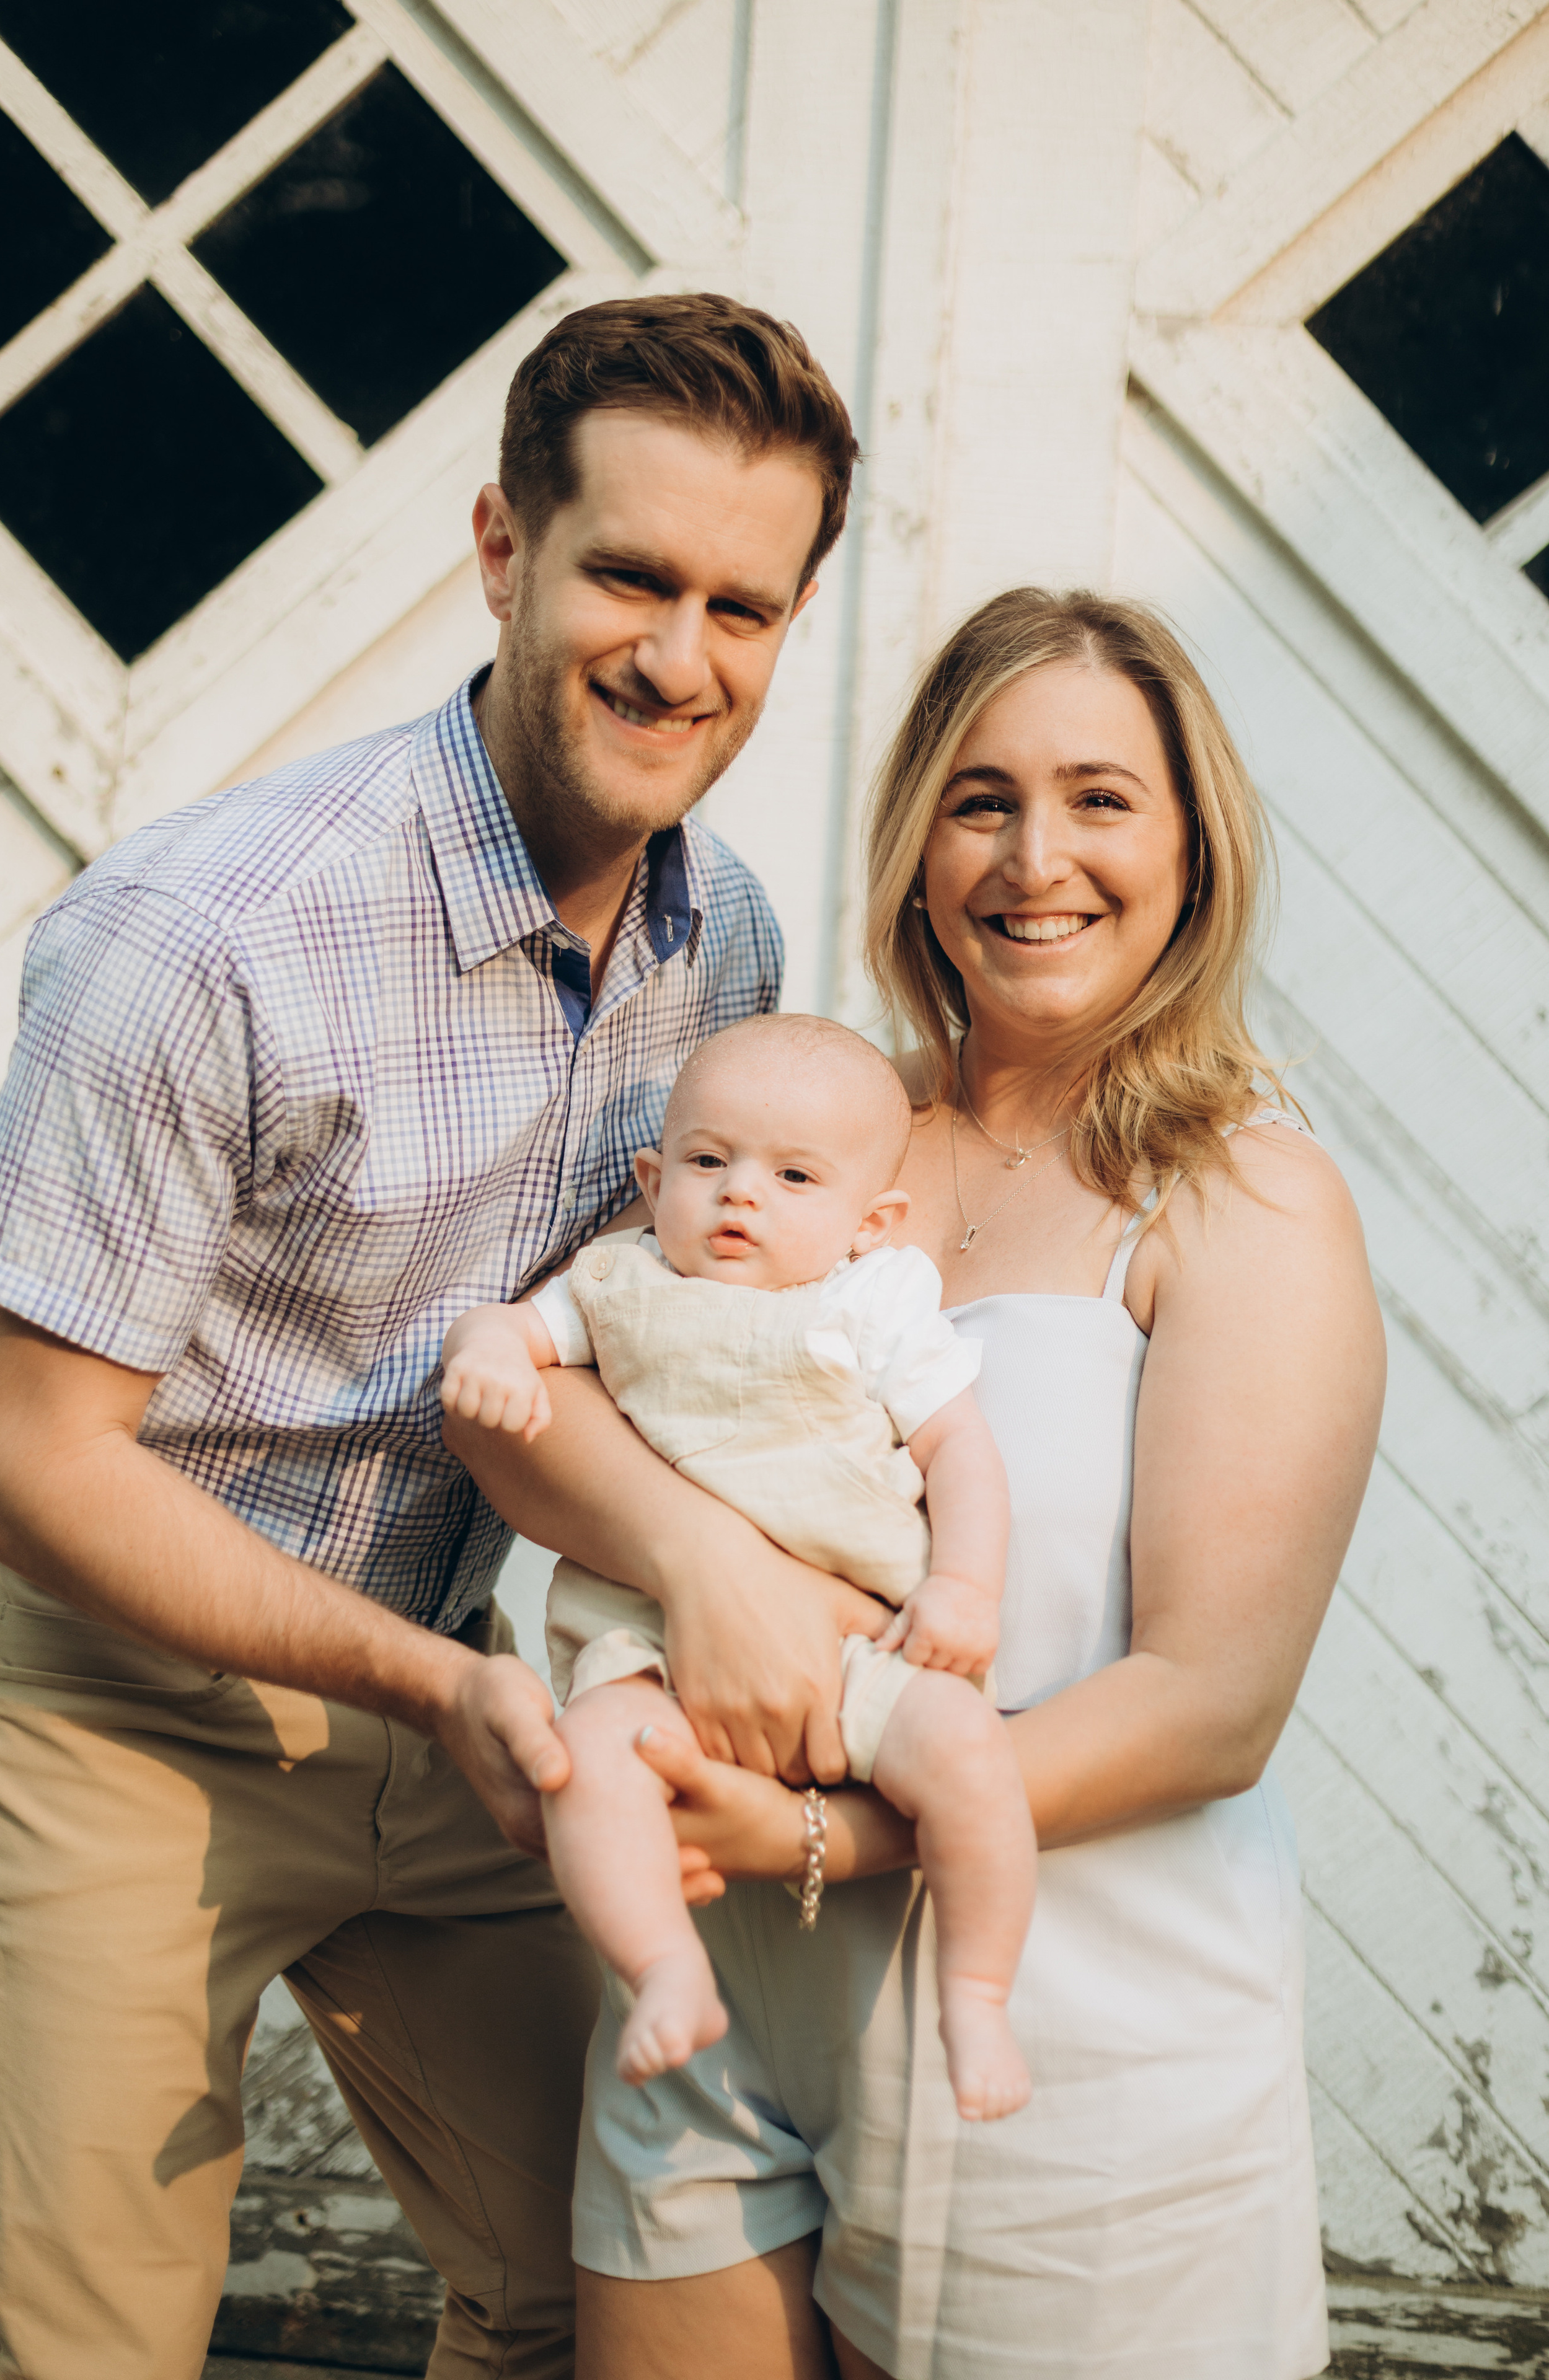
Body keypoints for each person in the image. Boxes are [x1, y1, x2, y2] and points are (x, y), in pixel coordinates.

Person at [0, 291, 864, 2380]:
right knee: (96, 2345)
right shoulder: (203, 937)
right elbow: (21, 1453)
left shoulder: (729, 939)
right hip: (123, 1694)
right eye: (628, 575)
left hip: (468, 1709)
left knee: (613, 2283)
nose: (677, 654)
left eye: (742, 604)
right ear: (499, 550)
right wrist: (421, 1677)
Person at [452, 588, 1387, 2380]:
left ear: (1192, 841)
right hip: (715, 2022)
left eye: (1103, 798)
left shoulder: (1243, 1200)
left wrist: (829, 1833)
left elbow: (1213, 1708)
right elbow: (545, 1392)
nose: (1038, 857)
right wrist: (697, 1560)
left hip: (1062, 2057)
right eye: (982, 799)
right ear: (917, 844)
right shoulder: (816, 1137)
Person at [441, 1012, 1032, 2119]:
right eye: (709, 1163)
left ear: (872, 1223)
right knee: (590, 1764)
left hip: (867, 1638)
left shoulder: (872, 1298)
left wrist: (966, 1587)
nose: (739, 1196)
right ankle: (664, 1967)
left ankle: (978, 1992)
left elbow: (961, 1450)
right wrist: (485, 1348)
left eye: (794, 1177)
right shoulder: (617, 1277)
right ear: (652, 1177)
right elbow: (515, 1331)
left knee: (966, 1753)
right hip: (647, 1637)